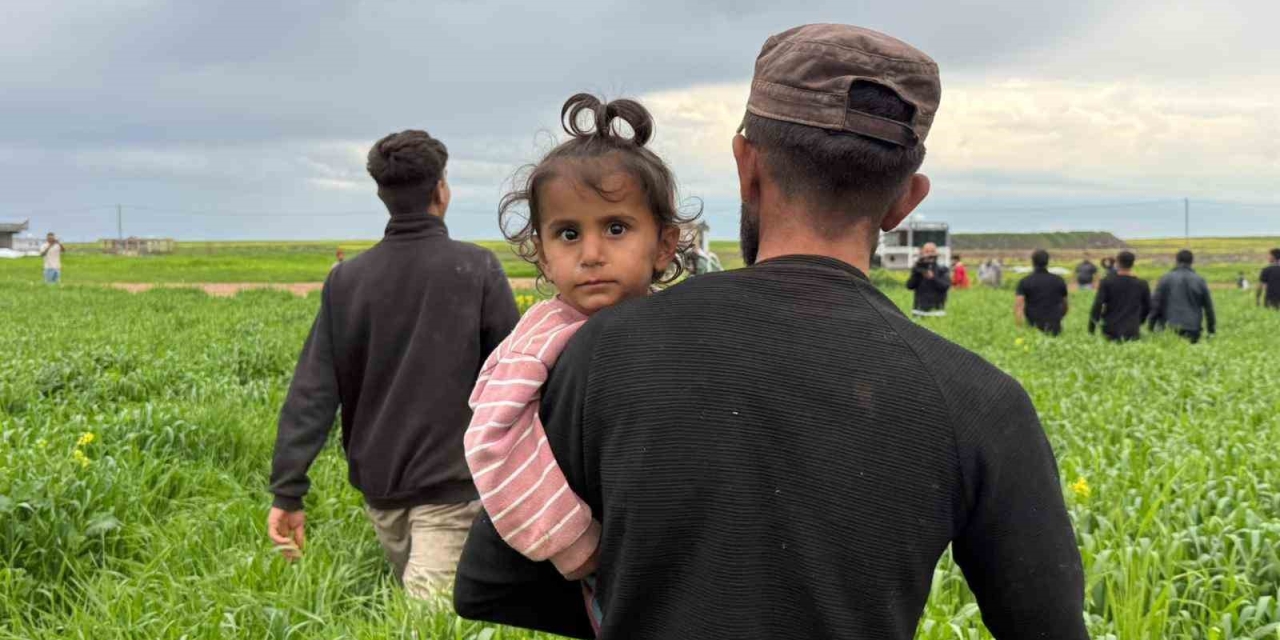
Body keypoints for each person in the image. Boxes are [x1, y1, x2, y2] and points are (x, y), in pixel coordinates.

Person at [455, 24, 1086, 640]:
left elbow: (490, 583)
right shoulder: (980, 401)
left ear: (746, 165)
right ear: (904, 202)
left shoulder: (598, 349)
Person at [464, 94, 686, 630]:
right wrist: (575, 545)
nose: (591, 253)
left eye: (616, 228)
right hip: (600, 562)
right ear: (542, 252)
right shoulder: (544, 337)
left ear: (664, 244)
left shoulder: (679, 324)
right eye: (568, 234)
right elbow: (493, 442)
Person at [267, 129, 520, 599]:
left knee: (426, 617)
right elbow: (517, 380)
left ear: (383, 195)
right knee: (432, 621)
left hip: (387, 491)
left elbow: (313, 392)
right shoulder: (477, 268)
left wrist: (289, 491)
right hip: (453, 482)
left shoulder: (347, 280)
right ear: (440, 192)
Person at [1149, 249, 1215, 343]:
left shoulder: (1165, 279)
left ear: (1176, 261)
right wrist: (1211, 331)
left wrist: (1151, 326)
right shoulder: (1199, 280)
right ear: (1192, 262)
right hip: (1192, 328)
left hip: (1169, 327)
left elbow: (1156, 304)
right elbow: (1209, 308)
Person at [1089, 250, 1151, 341]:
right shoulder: (1142, 284)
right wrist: (1140, 320)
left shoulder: (1107, 282)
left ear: (1117, 263)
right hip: (1132, 329)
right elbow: (1148, 306)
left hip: (1110, 329)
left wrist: (1092, 327)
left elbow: (1097, 305)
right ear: (1133, 263)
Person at [1015, 249, 1069, 336]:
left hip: (1033, 327)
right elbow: (1065, 305)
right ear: (1047, 262)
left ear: (1033, 262)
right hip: (1054, 327)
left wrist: (1019, 328)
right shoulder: (1059, 280)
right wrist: (1058, 317)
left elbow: (1019, 307)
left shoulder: (1025, 281)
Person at [905, 241, 951, 316]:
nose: (929, 254)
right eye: (926, 251)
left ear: (936, 253)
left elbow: (945, 286)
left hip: (937, 311)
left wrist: (933, 278)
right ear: (922, 253)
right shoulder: (918, 269)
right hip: (919, 311)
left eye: (932, 251)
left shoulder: (942, 269)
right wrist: (917, 273)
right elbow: (909, 286)